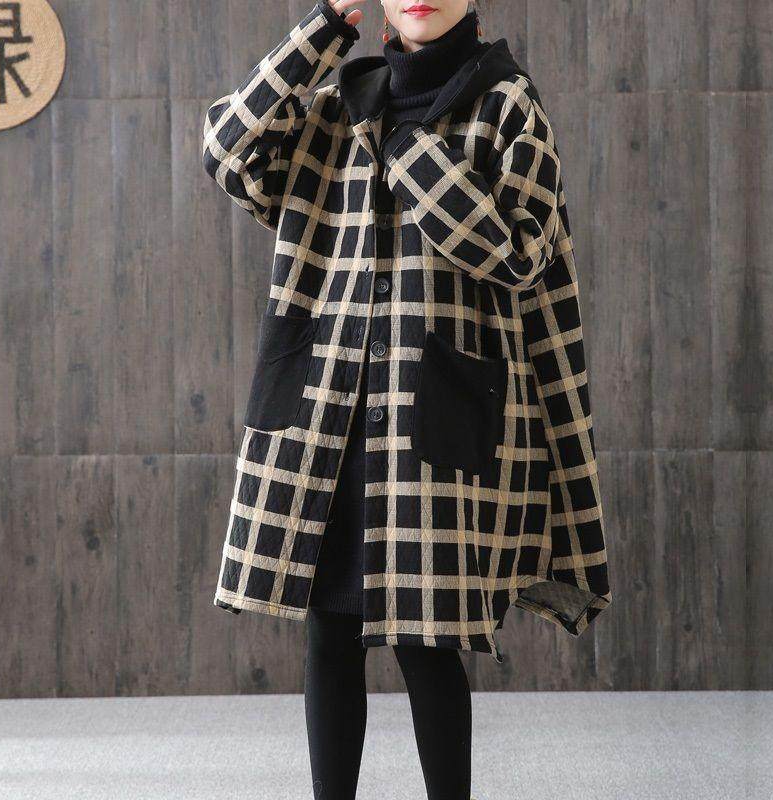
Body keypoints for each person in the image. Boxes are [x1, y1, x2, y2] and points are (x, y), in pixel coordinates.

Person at [202, 2, 612, 799]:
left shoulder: (506, 102)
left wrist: (410, 152)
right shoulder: (337, 102)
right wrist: (323, 28)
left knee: (429, 647)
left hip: (435, 420)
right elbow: (226, 148)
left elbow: (519, 252)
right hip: (331, 419)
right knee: (328, 637)